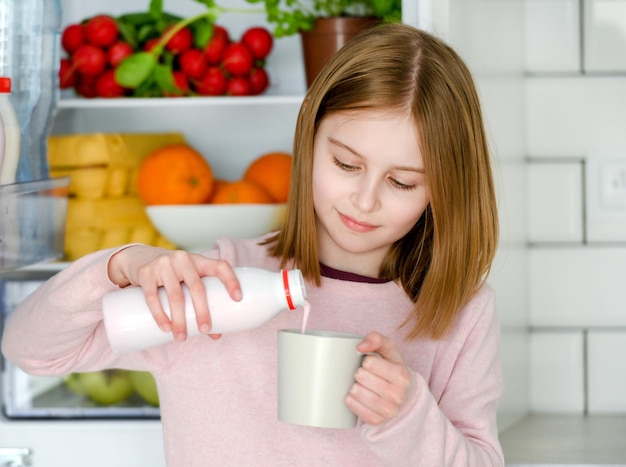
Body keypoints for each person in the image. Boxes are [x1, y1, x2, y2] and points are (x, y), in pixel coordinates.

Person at [2, 22, 503, 466]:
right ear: (309, 131)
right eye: (347, 165)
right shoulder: (214, 285)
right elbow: (29, 350)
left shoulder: (459, 310)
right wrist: (116, 266)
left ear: (445, 184)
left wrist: (408, 415)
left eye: (403, 182)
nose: (365, 200)